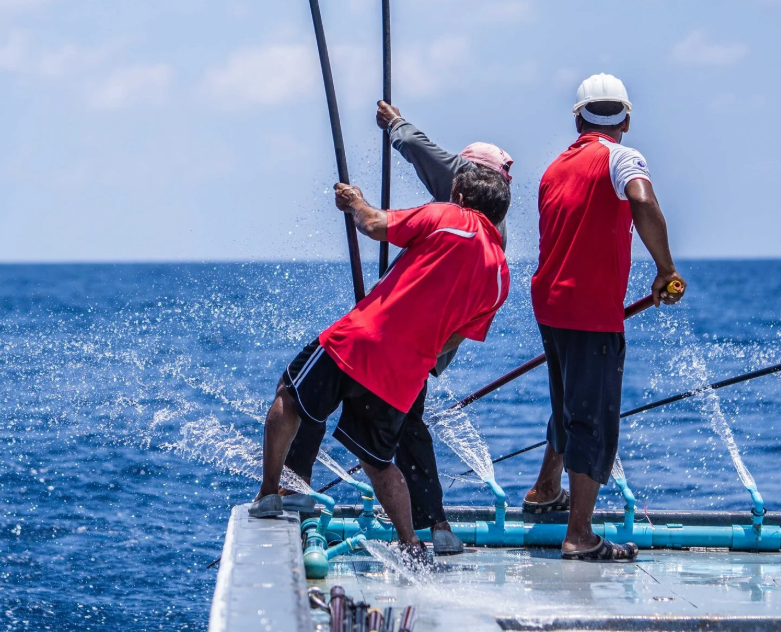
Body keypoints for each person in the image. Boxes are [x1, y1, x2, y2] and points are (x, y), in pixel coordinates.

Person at [281, 103, 513, 556]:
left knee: (310, 396)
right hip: (425, 345)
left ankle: (293, 487)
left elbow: (424, 160)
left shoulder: (455, 210)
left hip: (395, 339)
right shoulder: (490, 232)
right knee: (408, 424)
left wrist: (395, 127)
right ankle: (436, 525)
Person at [522, 73, 685, 562]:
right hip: (591, 314)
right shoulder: (622, 157)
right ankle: (580, 535)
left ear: (578, 118)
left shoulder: (554, 168)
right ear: (627, 119)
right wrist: (666, 269)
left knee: (571, 400)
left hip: (551, 307)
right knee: (593, 419)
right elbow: (641, 199)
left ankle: (545, 490)